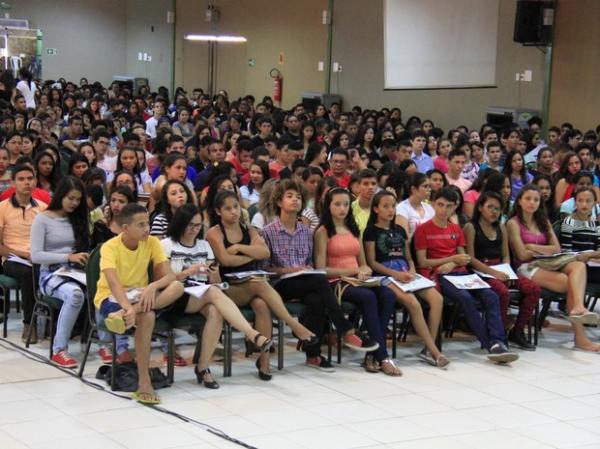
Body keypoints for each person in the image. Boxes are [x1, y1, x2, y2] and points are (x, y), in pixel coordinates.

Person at [262, 179, 378, 372]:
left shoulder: (306, 232)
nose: (295, 200)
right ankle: (345, 329)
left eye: (298, 197)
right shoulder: (268, 232)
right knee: (319, 280)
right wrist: (288, 271)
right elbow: (265, 270)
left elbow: (311, 262)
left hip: (305, 281)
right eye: (289, 196)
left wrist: (304, 269)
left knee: (316, 299)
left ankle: (313, 355)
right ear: (279, 202)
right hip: (280, 285)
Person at [206, 190, 318, 379]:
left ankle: (264, 360)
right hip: (226, 290)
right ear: (218, 212)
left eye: (236, 207)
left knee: (262, 304)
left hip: (250, 284)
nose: (234, 212)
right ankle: (293, 324)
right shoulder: (214, 232)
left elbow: (265, 253)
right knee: (259, 284)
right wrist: (251, 253)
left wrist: (240, 248)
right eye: (228, 208)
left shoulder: (248, 230)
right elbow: (225, 260)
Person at [162, 204, 276, 386]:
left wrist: (212, 272)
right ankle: (253, 335)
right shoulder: (166, 245)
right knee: (214, 293)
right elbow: (163, 279)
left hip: (201, 293)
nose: (194, 230)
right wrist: (189, 271)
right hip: (174, 295)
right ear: (180, 224)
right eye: (190, 225)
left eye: (198, 226)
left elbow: (213, 281)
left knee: (216, 312)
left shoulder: (204, 245)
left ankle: (203, 367)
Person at [93, 203, 187, 404]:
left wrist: (153, 287)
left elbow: (169, 277)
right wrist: (127, 307)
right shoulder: (110, 247)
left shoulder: (152, 242)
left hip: (141, 295)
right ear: (126, 228)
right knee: (149, 315)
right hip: (112, 297)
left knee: (177, 287)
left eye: (148, 223)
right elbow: (113, 283)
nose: (147, 229)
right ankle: (144, 382)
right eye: (141, 225)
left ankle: (124, 317)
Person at [414, 187, 518, 364]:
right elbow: (423, 262)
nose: (443, 210)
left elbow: (464, 257)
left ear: (454, 207)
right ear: (432, 204)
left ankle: (498, 341)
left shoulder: (456, 228)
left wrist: (454, 261)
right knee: (465, 299)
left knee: (491, 296)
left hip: (461, 273)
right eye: (440, 205)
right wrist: (451, 260)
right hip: (439, 275)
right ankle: (491, 345)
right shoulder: (423, 229)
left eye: (448, 206)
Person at [314, 188, 401, 375]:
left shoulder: (354, 229)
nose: (342, 208)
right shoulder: (323, 232)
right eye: (337, 204)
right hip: (336, 281)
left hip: (358, 280)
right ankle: (382, 356)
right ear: (328, 206)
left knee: (388, 294)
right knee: (368, 297)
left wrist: (364, 271)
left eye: (346, 204)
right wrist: (355, 271)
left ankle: (372, 352)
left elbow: (365, 264)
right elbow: (321, 269)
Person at [507, 185, 600, 352]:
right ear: (519, 201)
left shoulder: (543, 220)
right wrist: (541, 248)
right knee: (572, 283)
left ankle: (579, 307)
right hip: (526, 267)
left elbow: (556, 249)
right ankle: (580, 337)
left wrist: (531, 246)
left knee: (578, 266)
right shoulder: (513, 223)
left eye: (536, 199)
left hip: (549, 262)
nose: (532, 203)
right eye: (528, 199)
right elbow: (521, 254)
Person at [364, 190, 448, 369]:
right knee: (413, 304)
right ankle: (435, 352)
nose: (390, 210)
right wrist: (396, 274)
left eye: (393, 206)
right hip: (385, 275)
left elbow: (408, 257)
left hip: (406, 272)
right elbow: (372, 263)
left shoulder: (400, 229)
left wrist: (411, 270)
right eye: (385, 206)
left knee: (437, 299)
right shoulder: (371, 231)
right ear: (376, 209)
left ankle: (428, 347)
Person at [463, 191, 540, 350]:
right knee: (503, 292)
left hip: (502, 269)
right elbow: (470, 258)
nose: (494, 211)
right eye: (490, 207)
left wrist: (507, 272)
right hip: (481, 271)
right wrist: (494, 273)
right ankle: (501, 333)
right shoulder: (471, 227)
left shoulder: (501, 227)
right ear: (480, 208)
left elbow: (505, 255)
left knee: (533, 289)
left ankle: (517, 331)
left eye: (497, 209)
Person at [31, 177, 90, 368]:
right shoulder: (42, 219)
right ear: (60, 196)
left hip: (76, 271)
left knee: (103, 288)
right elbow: (36, 256)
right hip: (51, 274)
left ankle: (107, 344)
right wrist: (67, 257)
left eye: (78, 199)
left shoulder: (78, 218)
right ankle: (59, 349)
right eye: (70, 198)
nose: (74, 203)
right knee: (75, 294)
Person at [0, 165, 47, 343]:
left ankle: (55, 321)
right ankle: (30, 323)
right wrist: (24, 254)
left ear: (35, 181)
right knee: (30, 273)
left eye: (30, 178)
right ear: (13, 183)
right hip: (11, 259)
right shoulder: (2, 208)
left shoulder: (43, 208)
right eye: (21, 179)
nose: (26, 182)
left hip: (38, 256)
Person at [395, 172, 434, 237]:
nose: (429, 189)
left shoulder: (429, 208)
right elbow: (404, 238)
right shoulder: (401, 207)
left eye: (429, 186)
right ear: (413, 189)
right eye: (425, 186)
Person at [351, 169, 378, 234]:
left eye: (373, 184)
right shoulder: (350, 208)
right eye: (366, 184)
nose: (370, 187)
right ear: (358, 186)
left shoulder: (381, 209)